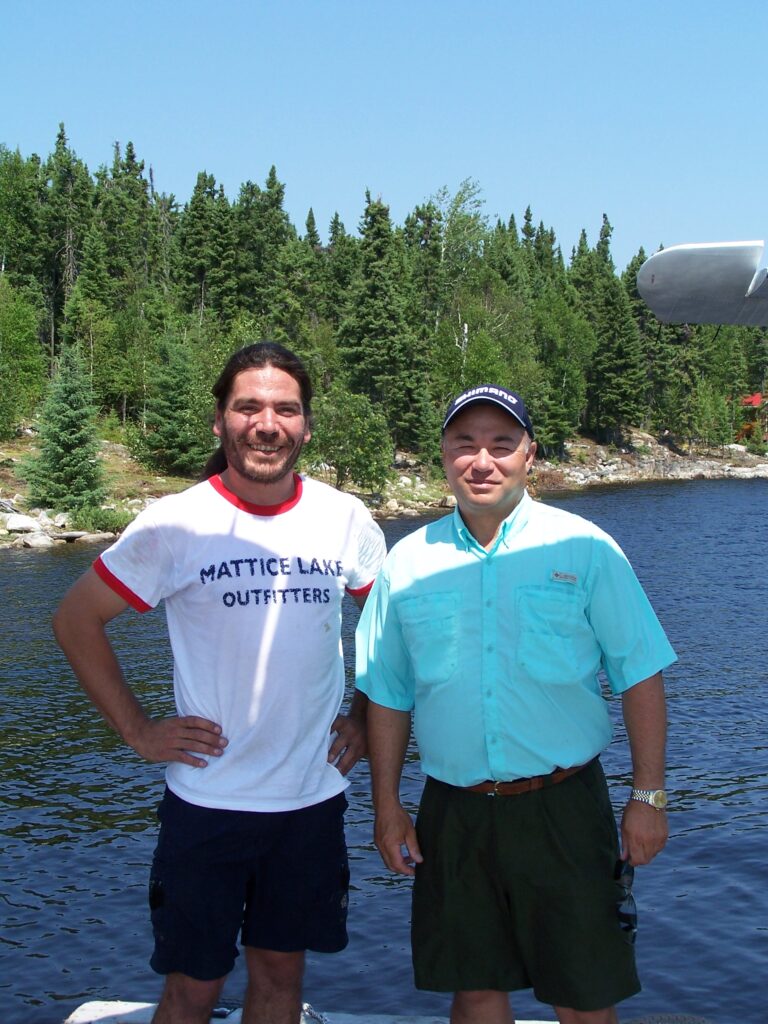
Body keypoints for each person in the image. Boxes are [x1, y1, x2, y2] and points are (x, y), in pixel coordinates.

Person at [53, 342, 386, 1024]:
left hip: (309, 802)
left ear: (307, 425)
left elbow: (390, 631)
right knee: (192, 988)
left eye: (285, 409)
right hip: (207, 805)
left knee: (278, 980)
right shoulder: (177, 522)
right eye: (248, 407)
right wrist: (138, 731)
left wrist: (361, 712)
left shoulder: (344, 518)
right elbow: (75, 620)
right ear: (220, 421)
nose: (267, 424)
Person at [355, 383, 677, 1024]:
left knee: (583, 993)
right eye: (464, 444)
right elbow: (387, 694)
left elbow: (639, 674)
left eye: (502, 445)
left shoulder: (586, 548)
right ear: (442, 456)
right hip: (454, 812)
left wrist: (649, 797)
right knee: (474, 991)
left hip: (564, 807)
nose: (482, 461)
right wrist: (387, 806)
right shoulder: (406, 564)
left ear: (529, 455)